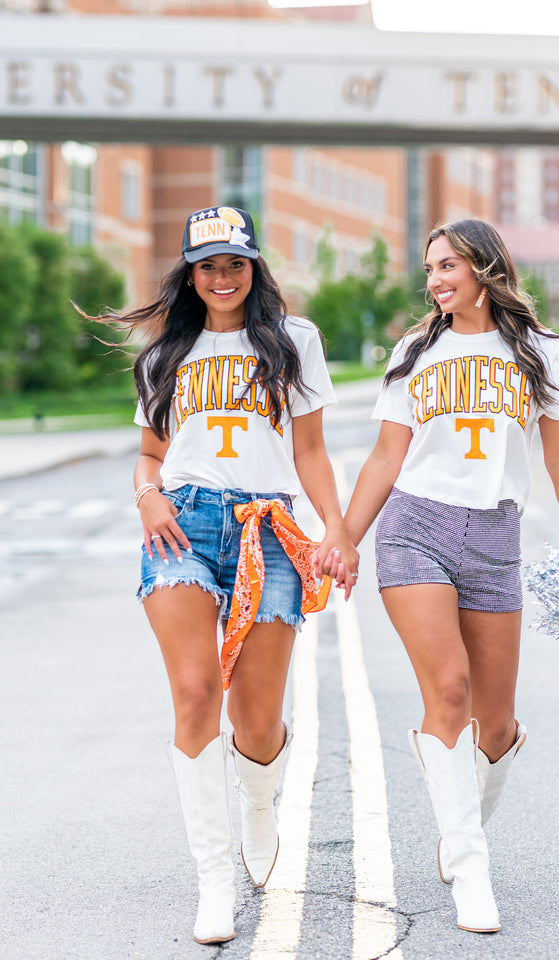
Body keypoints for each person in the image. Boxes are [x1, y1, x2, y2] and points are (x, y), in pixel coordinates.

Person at [106, 206, 358, 944]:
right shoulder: (164, 354)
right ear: (190, 272)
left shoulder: (293, 342)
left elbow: (310, 451)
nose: (222, 277)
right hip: (181, 525)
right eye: (208, 265)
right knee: (193, 694)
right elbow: (151, 455)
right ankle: (213, 879)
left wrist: (335, 528)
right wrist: (148, 497)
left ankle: (257, 806)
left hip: (269, 532)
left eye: (235, 263)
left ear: (255, 267)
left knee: (257, 719)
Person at [340, 218, 559, 934]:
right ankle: (470, 866)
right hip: (416, 529)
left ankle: (460, 829)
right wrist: (345, 540)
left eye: (448, 265)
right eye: (429, 270)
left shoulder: (540, 353)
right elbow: (386, 459)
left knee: (497, 725)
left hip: (495, 536)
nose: (435, 280)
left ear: (485, 266)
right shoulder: (416, 351)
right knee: (447, 689)